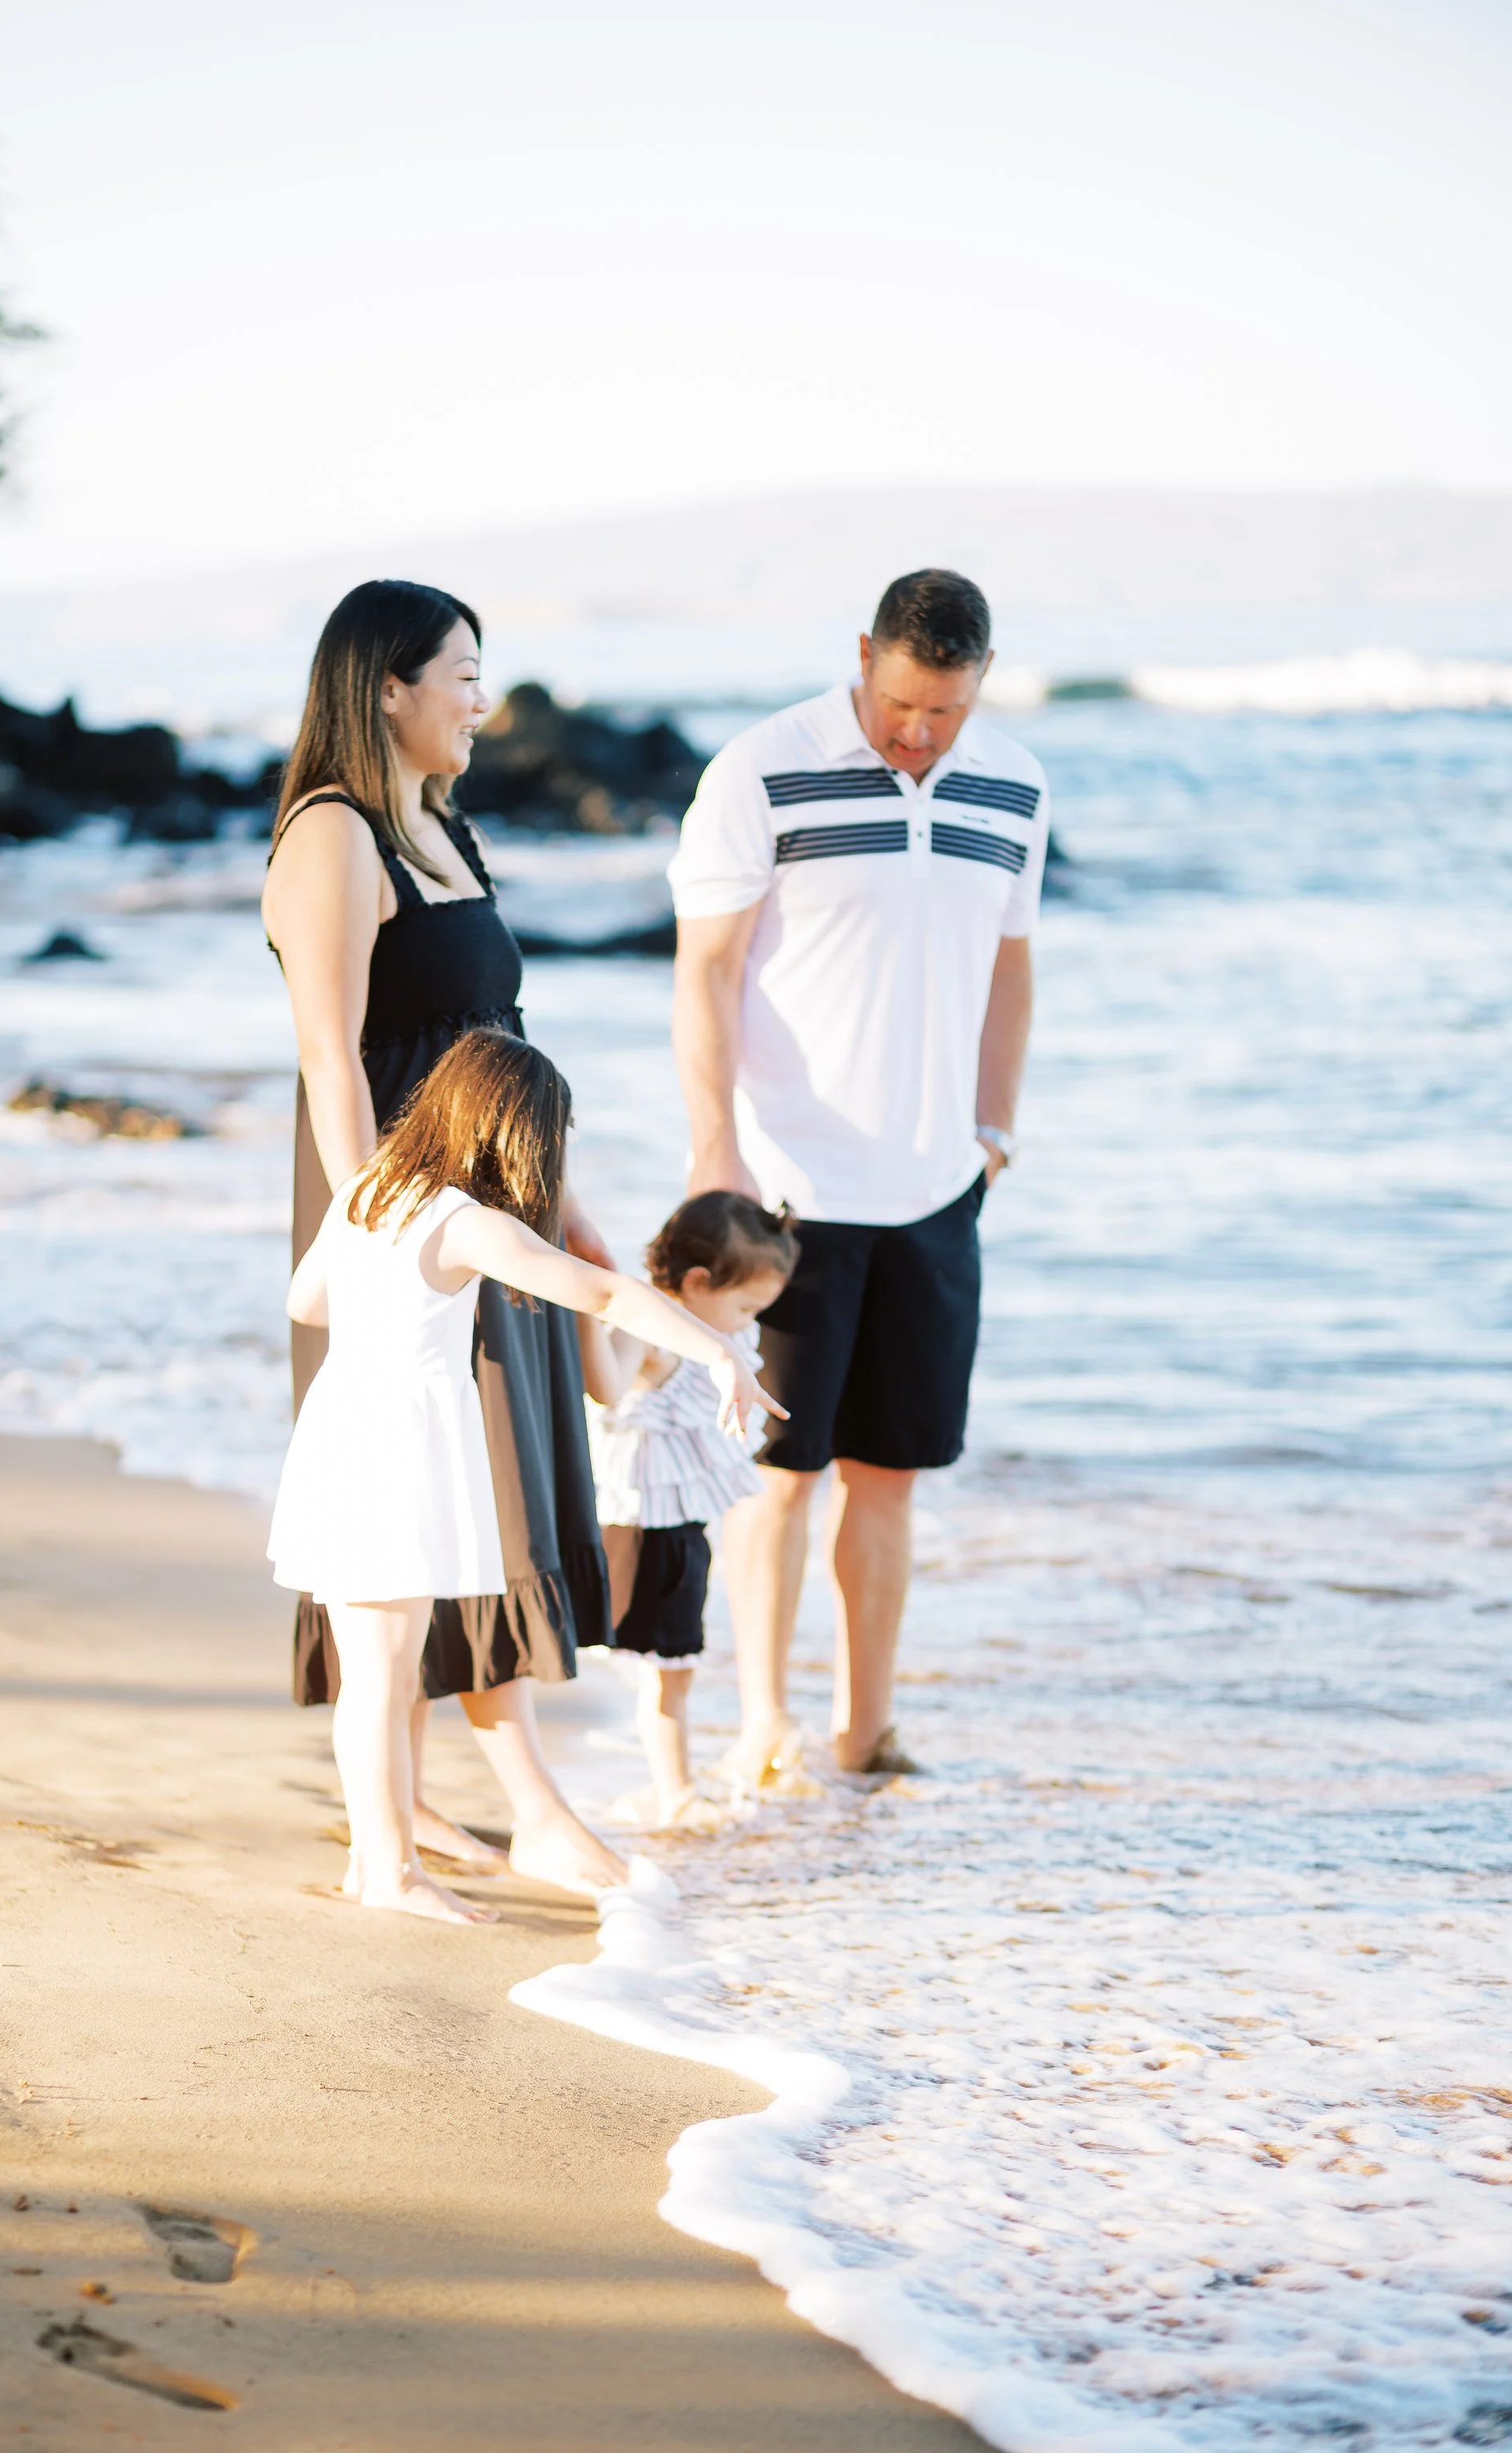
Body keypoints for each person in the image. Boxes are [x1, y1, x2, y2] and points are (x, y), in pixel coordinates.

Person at [261, 579, 625, 1896]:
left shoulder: (438, 827)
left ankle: (409, 1807)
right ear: (387, 687)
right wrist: (382, 1231)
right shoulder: (333, 837)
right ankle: (527, 1802)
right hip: (407, 1217)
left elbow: (499, 1046)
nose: (482, 698)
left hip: (491, 1195)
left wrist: (570, 1206)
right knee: (452, 1491)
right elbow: (331, 1056)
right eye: (461, 672)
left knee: (479, 1490)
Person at [669, 567, 1043, 1785]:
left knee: (893, 1478)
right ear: (865, 654)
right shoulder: (761, 770)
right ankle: (766, 1722)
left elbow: (1010, 965)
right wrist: (714, 1150)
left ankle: (867, 1729)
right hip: (789, 1193)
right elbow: (707, 972)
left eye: (945, 709)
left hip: (938, 1194)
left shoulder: (1016, 784)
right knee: (781, 1479)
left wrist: (994, 1126)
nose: (918, 732)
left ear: (980, 682)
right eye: (899, 703)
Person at [272, 1033, 783, 1924]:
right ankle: (387, 1872)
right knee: (385, 1677)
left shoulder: (367, 1188)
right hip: (402, 1443)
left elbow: (303, 1303)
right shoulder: (465, 1221)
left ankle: (375, 1861)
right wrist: (719, 1356)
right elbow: (603, 1294)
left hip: (342, 1425)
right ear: (515, 1132)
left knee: (377, 1673)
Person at [576, 1191, 800, 1829]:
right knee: (669, 1670)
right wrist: (590, 1310)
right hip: (644, 1529)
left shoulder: (710, 1331)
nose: (748, 1323)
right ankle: (674, 1789)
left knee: (673, 1668)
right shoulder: (655, 1337)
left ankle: (674, 1780)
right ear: (699, 1282)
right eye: (747, 1306)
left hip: (681, 1526)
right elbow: (607, 1388)